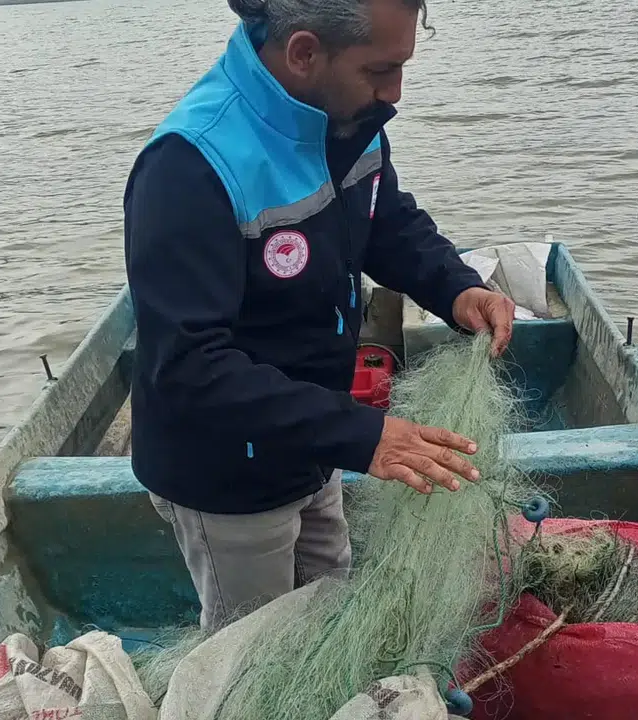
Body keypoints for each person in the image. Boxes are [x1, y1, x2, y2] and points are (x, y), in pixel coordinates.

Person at [122, 0, 516, 631]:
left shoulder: (347, 115)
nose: (396, 92)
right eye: (381, 70)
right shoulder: (189, 167)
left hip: (316, 443)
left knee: (330, 605)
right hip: (227, 478)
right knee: (252, 651)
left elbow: (386, 220)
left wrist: (455, 289)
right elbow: (190, 368)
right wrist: (365, 436)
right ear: (304, 53)